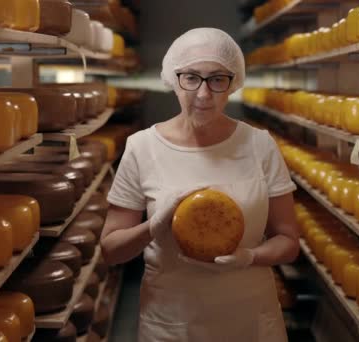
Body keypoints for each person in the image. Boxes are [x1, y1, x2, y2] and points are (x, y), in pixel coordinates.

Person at [100, 27, 300, 342]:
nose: (204, 94)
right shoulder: (142, 147)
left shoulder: (260, 144)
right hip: (171, 322)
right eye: (191, 78)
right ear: (172, 79)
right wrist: (153, 226)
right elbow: (111, 250)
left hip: (250, 319)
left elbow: (288, 241)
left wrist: (250, 257)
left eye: (218, 79)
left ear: (233, 83)